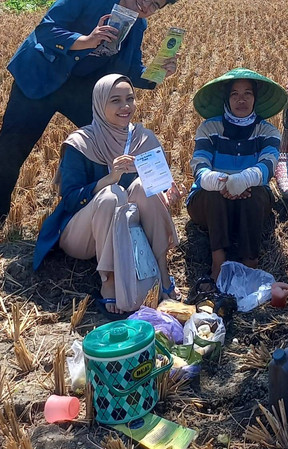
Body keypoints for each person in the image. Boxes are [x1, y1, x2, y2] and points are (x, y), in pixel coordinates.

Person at [0, 0, 181, 225]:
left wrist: (158, 73)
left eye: (155, 6)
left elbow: (129, 70)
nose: (146, 5)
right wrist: (86, 40)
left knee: (113, 141)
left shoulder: (137, 25)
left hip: (81, 90)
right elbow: (46, 30)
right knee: (10, 148)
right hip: (42, 76)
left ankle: (109, 208)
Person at [33, 74, 182, 318]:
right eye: (115, 100)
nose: (125, 107)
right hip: (84, 236)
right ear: (100, 104)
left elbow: (159, 189)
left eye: (129, 99)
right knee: (111, 195)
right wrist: (108, 179)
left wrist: (168, 196)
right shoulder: (81, 142)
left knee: (145, 188)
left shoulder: (145, 139)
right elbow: (69, 199)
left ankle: (162, 271)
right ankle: (109, 280)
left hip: (129, 231)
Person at [187, 68, 287, 279]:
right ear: (226, 98)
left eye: (247, 94)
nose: (241, 100)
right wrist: (221, 182)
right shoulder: (209, 128)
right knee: (213, 195)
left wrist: (243, 181)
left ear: (255, 98)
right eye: (235, 94)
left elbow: (267, 166)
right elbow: (199, 166)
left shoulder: (267, 131)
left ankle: (250, 260)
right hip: (209, 202)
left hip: (251, 198)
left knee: (257, 192)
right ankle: (218, 262)